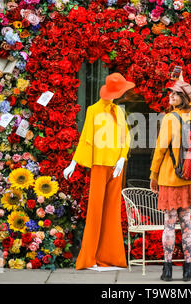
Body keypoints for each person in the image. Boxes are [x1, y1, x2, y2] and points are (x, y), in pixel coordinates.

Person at [63, 72, 135, 271]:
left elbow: (125, 137)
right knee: (95, 211)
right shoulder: (94, 110)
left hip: (116, 167)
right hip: (99, 165)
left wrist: (122, 158)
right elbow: (86, 136)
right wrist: (73, 163)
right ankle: (89, 258)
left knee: (112, 211)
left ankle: (110, 257)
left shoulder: (118, 111)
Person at [150, 73, 191, 282]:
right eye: (171, 92)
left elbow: (160, 150)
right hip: (189, 178)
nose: (171, 95)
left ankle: (168, 269)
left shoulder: (170, 119)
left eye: (177, 93)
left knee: (170, 223)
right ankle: (188, 270)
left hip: (170, 178)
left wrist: (153, 174)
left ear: (184, 97)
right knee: (187, 223)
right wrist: (183, 81)